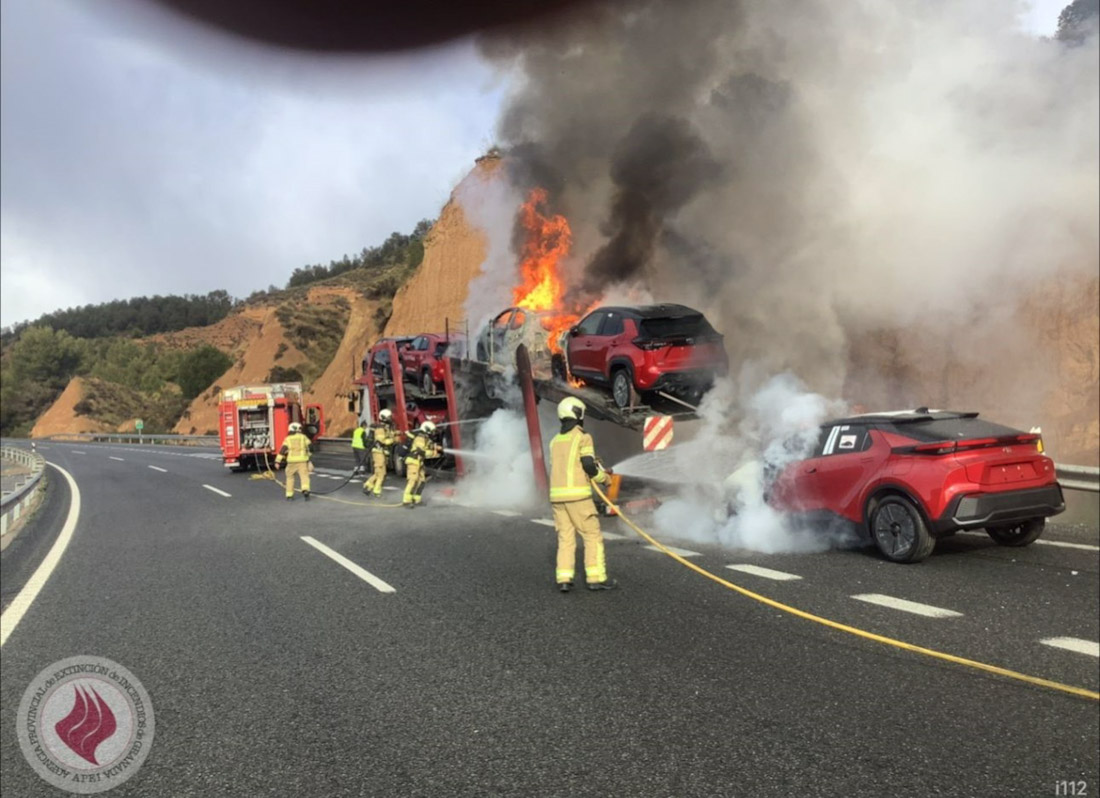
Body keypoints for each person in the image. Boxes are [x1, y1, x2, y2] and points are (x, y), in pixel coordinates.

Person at [549, 397, 615, 592]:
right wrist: (604, 479)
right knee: (592, 535)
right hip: (578, 497)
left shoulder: (555, 441)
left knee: (565, 538)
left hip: (557, 499)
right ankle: (595, 578)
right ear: (578, 414)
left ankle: (564, 579)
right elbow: (588, 466)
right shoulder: (582, 437)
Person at [402, 420, 441, 508]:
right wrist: (433, 453)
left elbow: (429, 446)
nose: (433, 433)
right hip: (413, 461)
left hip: (419, 462)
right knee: (412, 481)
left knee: (421, 481)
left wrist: (436, 448)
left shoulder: (425, 438)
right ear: (427, 430)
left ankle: (417, 500)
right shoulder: (420, 438)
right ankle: (406, 501)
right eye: (431, 431)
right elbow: (421, 451)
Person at [275, 421, 313, 501]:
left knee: (290, 478)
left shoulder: (288, 439)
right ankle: (305, 490)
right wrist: (309, 456)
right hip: (302, 461)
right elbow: (311, 447)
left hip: (291, 462)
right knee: (304, 476)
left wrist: (277, 461)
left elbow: (283, 450)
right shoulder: (303, 437)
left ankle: (289, 495)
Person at [363, 409, 397, 497]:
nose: (391, 418)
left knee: (380, 473)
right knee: (380, 473)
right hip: (378, 453)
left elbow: (389, 434)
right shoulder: (380, 428)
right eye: (389, 417)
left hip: (381, 453)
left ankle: (368, 485)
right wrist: (393, 440)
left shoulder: (385, 427)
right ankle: (376, 491)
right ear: (384, 418)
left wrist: (396, 434)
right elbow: (381, 441)